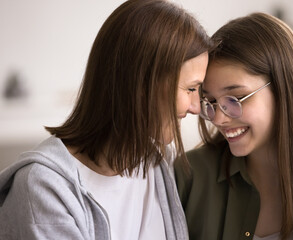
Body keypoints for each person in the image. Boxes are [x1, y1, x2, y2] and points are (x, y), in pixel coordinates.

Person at [0, 0, 213, 239]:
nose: (196, 107)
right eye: (191, 89)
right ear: (142, 84)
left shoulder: (159, 163)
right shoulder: (44, 188)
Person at [175, 12, 293, 240]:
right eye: (211, 102)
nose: (218, 119)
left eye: (236, 98)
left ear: (284, 90)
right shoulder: (189, 176)